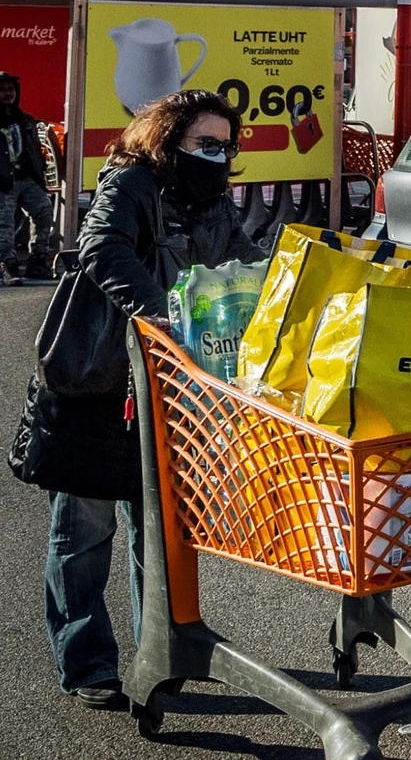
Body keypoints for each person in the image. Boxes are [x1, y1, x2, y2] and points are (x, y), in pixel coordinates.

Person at [25, 88, 263, 711]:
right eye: (205, 142)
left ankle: (157, 652)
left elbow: (240, 261)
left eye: (226, 145)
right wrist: (167, 318)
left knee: (156, 535)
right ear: (168, 138)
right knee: (83, 532)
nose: (218, 155)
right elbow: (102, 248)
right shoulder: (132, 183)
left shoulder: (214, 201)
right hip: (100, 379)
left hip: (168, 389)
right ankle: (88, 664)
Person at [0, 72, 56, 286]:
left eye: (11, 90)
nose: (8, 94)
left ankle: (38, 261)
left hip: (27, 177)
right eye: (3, 90)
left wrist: (38, 173)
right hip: (4, 182)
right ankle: (8, 265)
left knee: (43, 212)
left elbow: (34, 148)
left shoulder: (24, 119)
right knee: (4, 223)